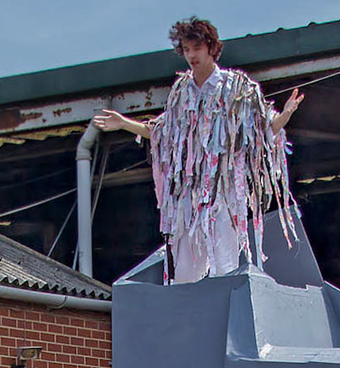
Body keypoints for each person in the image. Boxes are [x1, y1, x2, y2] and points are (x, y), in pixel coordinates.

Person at [94, 17, 303, 283]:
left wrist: (284, 116)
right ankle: (187, 317)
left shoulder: (236, 87)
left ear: (211, 47)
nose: (191, 55)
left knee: (224, 264)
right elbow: (163, 131)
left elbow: (262, 127)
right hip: (188, 197)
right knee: (184, 270)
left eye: (196, 48)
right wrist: (125, 123)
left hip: (223, 193)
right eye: (186, 49)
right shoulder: (181, 92)